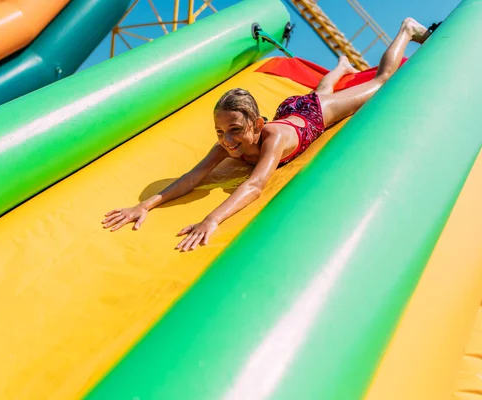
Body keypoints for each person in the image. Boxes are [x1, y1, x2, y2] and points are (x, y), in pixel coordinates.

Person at [103, 18, 434, 252]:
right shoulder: (229, 144)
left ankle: (405, 30)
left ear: (256, 125)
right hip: (291, 109)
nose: (227, 140)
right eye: (220, 132)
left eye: (234, 130)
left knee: (379, 83)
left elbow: (255, 185)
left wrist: (211, 219)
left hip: (312, 115)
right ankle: (341, 69)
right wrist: (145, 205)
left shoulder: (271, 139)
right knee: (318, 91)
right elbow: (193, 176)